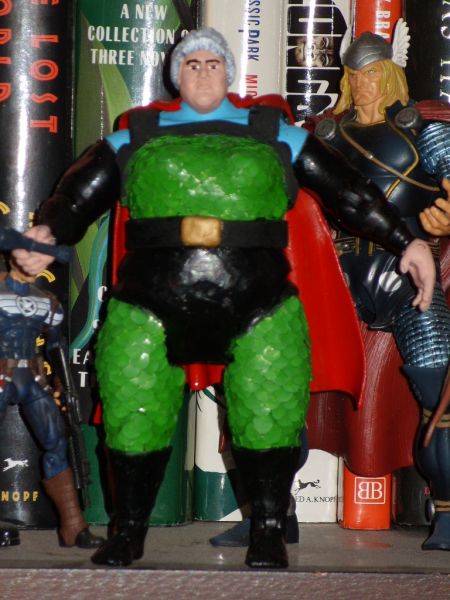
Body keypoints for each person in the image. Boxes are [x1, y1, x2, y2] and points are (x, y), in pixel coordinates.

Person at [13, 28, 435, 569]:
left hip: (259, 301)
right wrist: (46, 233)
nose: (203, 72)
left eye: (213, 63)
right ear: (176, 74)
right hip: (148, 302)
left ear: (229, 72)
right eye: (191, 63)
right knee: (133, 407)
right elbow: (76, 197)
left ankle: (268, 530)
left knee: (269, 410)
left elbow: (350, 193)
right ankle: (129, 530)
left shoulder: (275, 133)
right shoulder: (136, 135)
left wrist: (406, 241)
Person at [312, 31, 450, 550]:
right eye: (355, 75)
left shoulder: (423, 131)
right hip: (338, 276)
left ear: (390, 73)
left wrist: (446, 219)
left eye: (372, 73)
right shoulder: (327, 135)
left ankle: (447, 515)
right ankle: (272, 514)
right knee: (282, 382)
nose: (364, 84)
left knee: (440, 396)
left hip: (409, 276)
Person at [0, 262, 104, 549]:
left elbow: (55, 346)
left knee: (56, 442)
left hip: (31, 379)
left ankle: (73, 525)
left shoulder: (47, 301)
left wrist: (63, 384)